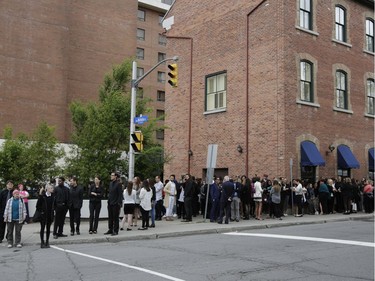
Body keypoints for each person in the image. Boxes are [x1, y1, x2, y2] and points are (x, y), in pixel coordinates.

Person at [36, 184, 55, 248]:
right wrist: (41, 212)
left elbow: (54, 205)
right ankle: (42, 242)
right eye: (51, 188)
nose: (52, 189)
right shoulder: (42, 196)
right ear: (47, 189)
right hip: (43, 215)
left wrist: (54, 211)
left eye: (52, 188)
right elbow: (38, 206)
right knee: (42, 228)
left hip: (50, 215)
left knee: (48, 229)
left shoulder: (53, 196)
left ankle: (47, 241)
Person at [104, 172, 123, 236]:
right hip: (110, 202)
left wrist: (119, 203)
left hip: (116, 203)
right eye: (111, 175)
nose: (111, 176)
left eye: (112, 175)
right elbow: (110, 193)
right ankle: (110, 229)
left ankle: (115, 230)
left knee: (115, 217)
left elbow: (120, 194)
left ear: (116, 177)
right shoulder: (110, 183)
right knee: (110, 217)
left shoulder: (118, 184)